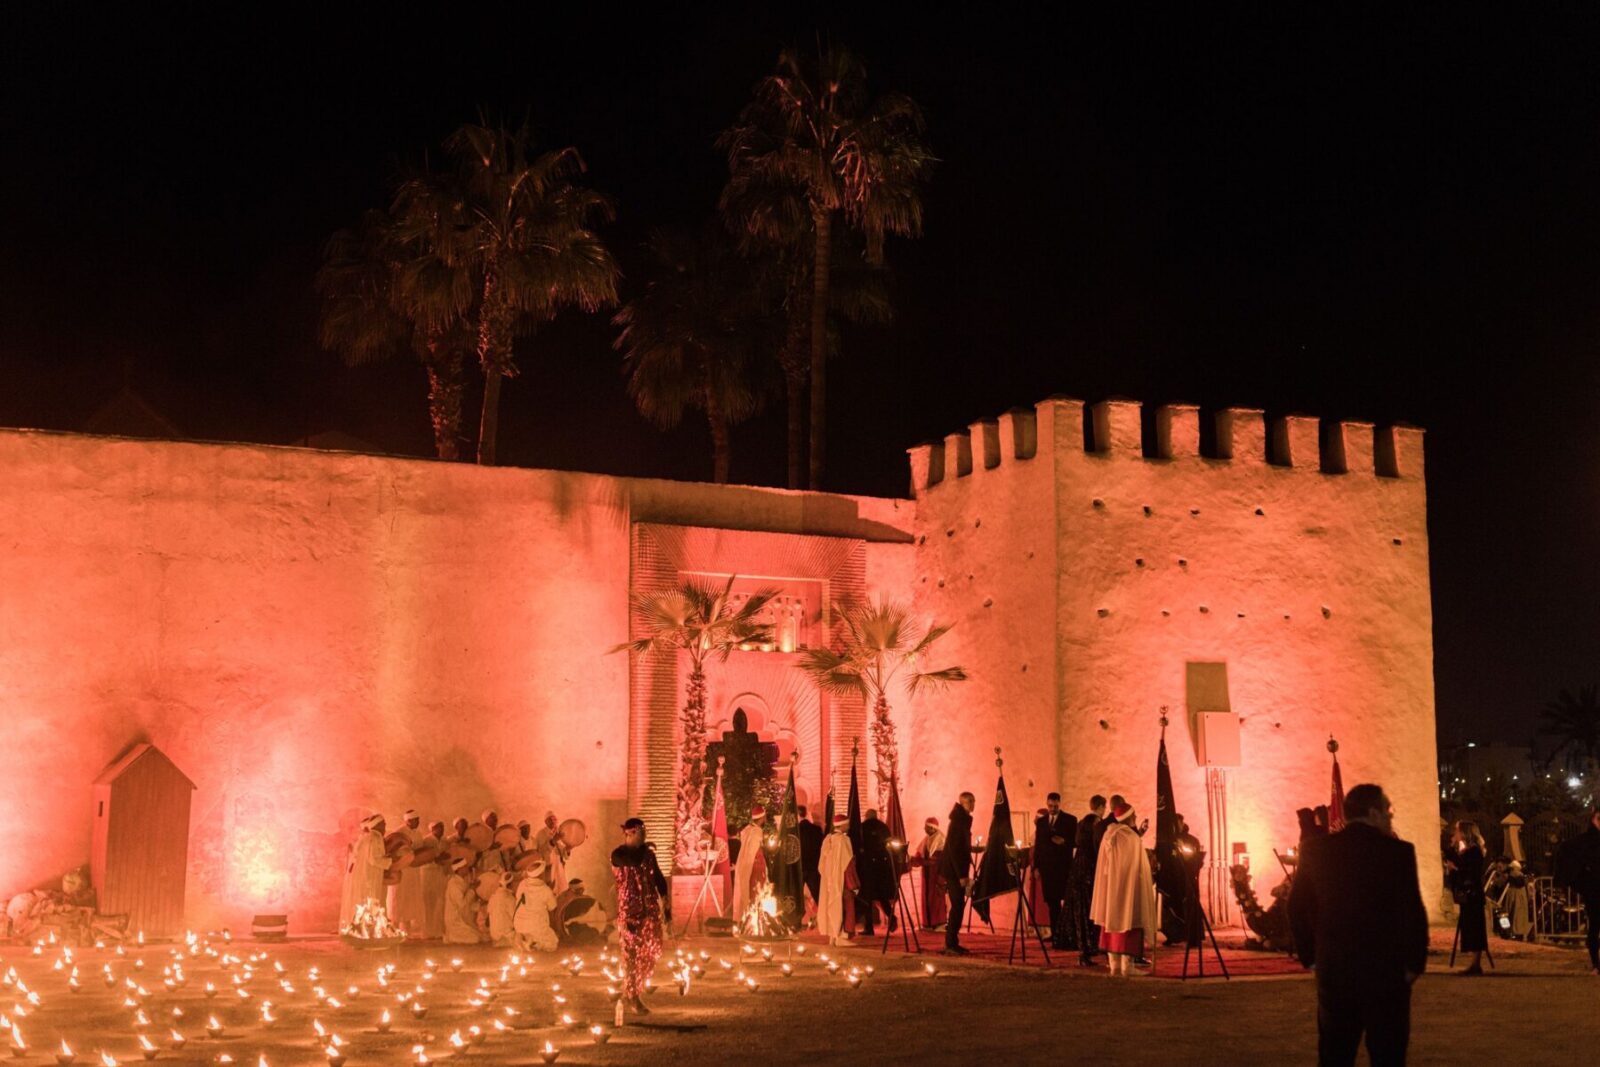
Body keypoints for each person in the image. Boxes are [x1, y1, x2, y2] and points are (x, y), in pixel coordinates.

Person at [1290, 783, 1429, 1067]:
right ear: (1373, 812)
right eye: (1387, 809)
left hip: (1336, 970)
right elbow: (1412, 911)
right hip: (1386, 973)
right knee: (1387, 1054)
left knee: (1335, 1054)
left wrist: (1312, 957)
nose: (1391, 816)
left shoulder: (1316, 850)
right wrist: (1415, 964)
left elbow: (1295, 906)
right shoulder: (1398, 852)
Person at [1089, 801, 1157, 977]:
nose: (1135, 818)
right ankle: (1127, 966)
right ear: (1128, 818)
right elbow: (1136, 866)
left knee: (1111, 922)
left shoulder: (1108, 834)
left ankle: (1114, 965)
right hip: (1127, 888)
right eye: (1133, 816)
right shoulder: (1130, 838)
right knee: (1128, 922)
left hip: (1110, 889)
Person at [611, 818, 669, 1016]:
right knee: (633, 958)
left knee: (652, 952)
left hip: (650, 912)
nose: (644, 835)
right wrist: (646, 850)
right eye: (641, 832)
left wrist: (666, 906)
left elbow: (659, 879)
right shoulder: (618, 854)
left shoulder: (649, 855)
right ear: (631, 833)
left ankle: (633, 989)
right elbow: (633, 861)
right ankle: (632, 996)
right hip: (630, 914)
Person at [1553, 805, 1600, 974]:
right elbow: (1571, 856)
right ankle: (1596, 964)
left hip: (1593, 889)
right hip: (1594, 891)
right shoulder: (1585, 841)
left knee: (1595, 926)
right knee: (1595, 926)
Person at [1034, 793, 1077, 949]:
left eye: (1055, 806)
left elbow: (1075, 841)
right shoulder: (1042, 822)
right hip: (1047, 869)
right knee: (1052, 903)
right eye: (1050, 806)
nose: (1052, 809)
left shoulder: (1070, 820)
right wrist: (1036, 867)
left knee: (1066, 901)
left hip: (1063, 867)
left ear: (1060, 804)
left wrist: (1064, 842)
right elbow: (1038, 845)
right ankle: (1056, 934)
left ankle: (1067, 934)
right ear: (1047, 803)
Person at [1445, 820, 1488, 975]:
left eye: (1457, 830)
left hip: (1473, 895)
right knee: (1470, 927)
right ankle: (1474, 963)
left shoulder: (1474, 851)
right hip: (1469, 894)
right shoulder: (1469, 851)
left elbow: (1468, 870)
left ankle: (1475, 964)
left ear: (1464, 832)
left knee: (1474, 928)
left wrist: (1453, 861)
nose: (1455, 833)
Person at [1073, 795, 1107, 965]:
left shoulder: (1081, 823)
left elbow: (1077, 842)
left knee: (1081, 912)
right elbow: (1098, 846)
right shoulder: (1098, 824)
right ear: (1101, 807)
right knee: (1093, 911)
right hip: (1091, 870)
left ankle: (1083, 952)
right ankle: (1092, 948)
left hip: (1078, 869)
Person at [940, 792, 976, 955]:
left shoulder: (963, 820)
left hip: (956, 870)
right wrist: (961, 875)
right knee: (957, 906)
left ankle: (952, 941)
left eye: (973, 801)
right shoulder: (958, 822)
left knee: (958, 906)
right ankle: (950, 943)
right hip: (954, 871)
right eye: (969, 801)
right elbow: (954, 850)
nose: (972, 804)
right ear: (962, 803)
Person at [342, 814, 391, 928]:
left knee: (365, 904)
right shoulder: (375, 837)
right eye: (383, 824)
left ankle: (362, 931)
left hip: (366, 877)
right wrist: (390, 861)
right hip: (370, 877)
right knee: (371, 904)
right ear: (377, 825)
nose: (385, 826)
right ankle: (369, 932)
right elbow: (374, 859)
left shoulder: (367, 837)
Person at [856, 808, 898, 936]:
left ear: (866, 816)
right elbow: (889, 845)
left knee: (867, 898)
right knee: (882, 896)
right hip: (882, 868)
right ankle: (892, 918)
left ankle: (869, 928)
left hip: (867, 867)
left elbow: (859, 846)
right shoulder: (884, 827)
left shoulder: (862, 827)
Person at [388, 809, 427, 936]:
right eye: (415, 820)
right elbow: (391, 850)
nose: (418, 822)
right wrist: (404, 854)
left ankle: (407, 930)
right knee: (398, 899)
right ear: (408, 821)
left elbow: (419, 850)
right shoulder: (398, 833)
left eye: (418, 820)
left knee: (410, 900)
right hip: (401, 870)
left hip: (413, 872)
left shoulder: (418, 834)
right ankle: (393, 928)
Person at [817, 812, 854, 946]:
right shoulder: (844, 840)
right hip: (841, 880)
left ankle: (832, 937)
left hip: (828, 880)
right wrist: (854, 883)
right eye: (847, 825)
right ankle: (840, 936)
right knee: (842, 905)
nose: (849, 827)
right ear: (843, 825)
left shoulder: (828, 839)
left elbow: (821, 865)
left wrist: (828, 876)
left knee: (830, 905)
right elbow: (848, 863)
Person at [910, 817, 948, 930]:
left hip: (937, 874)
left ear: (932, 828)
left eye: (926, 827)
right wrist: (911, 860)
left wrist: (919, 861)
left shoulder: (940, 840)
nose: (924, 828)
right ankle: (927, 924)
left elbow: (935, 860)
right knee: (926, 898)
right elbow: (919, 855)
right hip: (926, 875)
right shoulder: (926, 839)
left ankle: (938, 923)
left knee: (936, 898)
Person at [514, 859, 559, 952]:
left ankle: (527, 941)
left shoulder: (522, 884)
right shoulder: (546, 890)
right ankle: (534, 944)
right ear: (541, 875)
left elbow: (518, 897)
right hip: (536, 926)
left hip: (519, 924)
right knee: (553, 943)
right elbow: (553, 907)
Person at [733, 806, 768, 919]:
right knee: (755, 890)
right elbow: (753, 851)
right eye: (765, 815)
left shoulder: (747, 829)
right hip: (755, 865)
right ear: (762, 817)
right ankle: (755, 916)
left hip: (748, 864)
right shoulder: (757, 831)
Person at [443, 856, 482, 944]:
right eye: (465, 866)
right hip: (455, 921)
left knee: (482, 936)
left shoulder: (462, 882)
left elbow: (468, 904)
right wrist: (472, 890)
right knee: (474, 939)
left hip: (464, 919)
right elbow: (462, 904)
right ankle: (450, 936)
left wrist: (480, 904)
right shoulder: (454, 884)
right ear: (459, 869)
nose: (467, 868)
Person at [420, 820, 448, 939]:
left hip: (440, 874)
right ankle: (427, 931)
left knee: (441, 901)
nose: (440, 830)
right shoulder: (426, 841)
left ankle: (439, 930)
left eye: (442, 827)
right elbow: (421, 858)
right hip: (427, 874)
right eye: (437, 828)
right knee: (428, 903)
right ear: (432, 829)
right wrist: (434, 859)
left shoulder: (445, 841)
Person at [796, 805, 824, 918]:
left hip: (800, 867)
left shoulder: (795, 831)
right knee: (818, 895)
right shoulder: (817, 830)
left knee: (797, 895)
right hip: (814, 867)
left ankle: (797, 919)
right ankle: (824, 919)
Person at [486, 871, 516, 946]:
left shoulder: (492, 897)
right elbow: (515, 918)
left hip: (494, 936)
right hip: (507, 936)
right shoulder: (509, 898)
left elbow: (488, 920)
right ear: (510, 885)